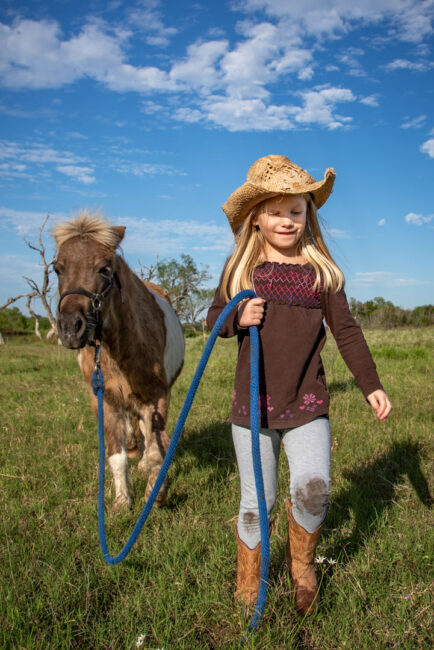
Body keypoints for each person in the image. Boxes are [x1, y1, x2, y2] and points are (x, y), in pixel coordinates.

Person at [206, 154, 392, 616]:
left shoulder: (322, 273)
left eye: (296, 210)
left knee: (314, 491)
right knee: (258, 501)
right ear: (256, 219)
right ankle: (250, 579)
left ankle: (302, 566)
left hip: (308, 403)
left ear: (308, 214)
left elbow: (346, 330)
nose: (287, 220)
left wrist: (369, 383)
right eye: (276, 210)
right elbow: (212, 321)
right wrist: (235, 316)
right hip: (253, 409)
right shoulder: (240, 271)